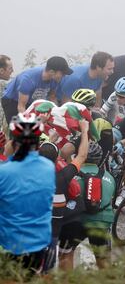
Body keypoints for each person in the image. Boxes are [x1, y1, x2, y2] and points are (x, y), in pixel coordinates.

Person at [0, 113, 55, 274]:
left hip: (9, 243)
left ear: (13, 142)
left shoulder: (4, 171)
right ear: (38, 143)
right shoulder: (48, 168)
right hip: (38, 243)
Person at [39, 120, 89, 270]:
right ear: (56, 159)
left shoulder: (30, 173)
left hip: (37, 225)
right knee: (55, 261)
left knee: (35, 266)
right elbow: (81, 156)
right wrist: (84, 131)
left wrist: (48, 139)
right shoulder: (63, 175)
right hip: (57, 226)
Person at [58, 141, 116, 270]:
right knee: (103, 258)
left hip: (75, 221)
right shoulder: (109, 177)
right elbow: (110, 200)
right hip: (101, 221)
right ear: (99, 158)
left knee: (65, 255)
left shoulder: (71, 174)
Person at [1, 56, 72, 124]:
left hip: (30, 101)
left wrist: (58, 114)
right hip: (13, 100)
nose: (64, 76)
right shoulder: (28, 79)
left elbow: (52, 97)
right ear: (52, 72)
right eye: (62, 73)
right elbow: (21, 107)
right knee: (19, 130)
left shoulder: (55, 80)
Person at [71, 88, 113, 166]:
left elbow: (88, 142)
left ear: (87, 108)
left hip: (102, 146)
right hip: (88, 145)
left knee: (98, 168)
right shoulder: (74, 115)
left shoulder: (98, 121)